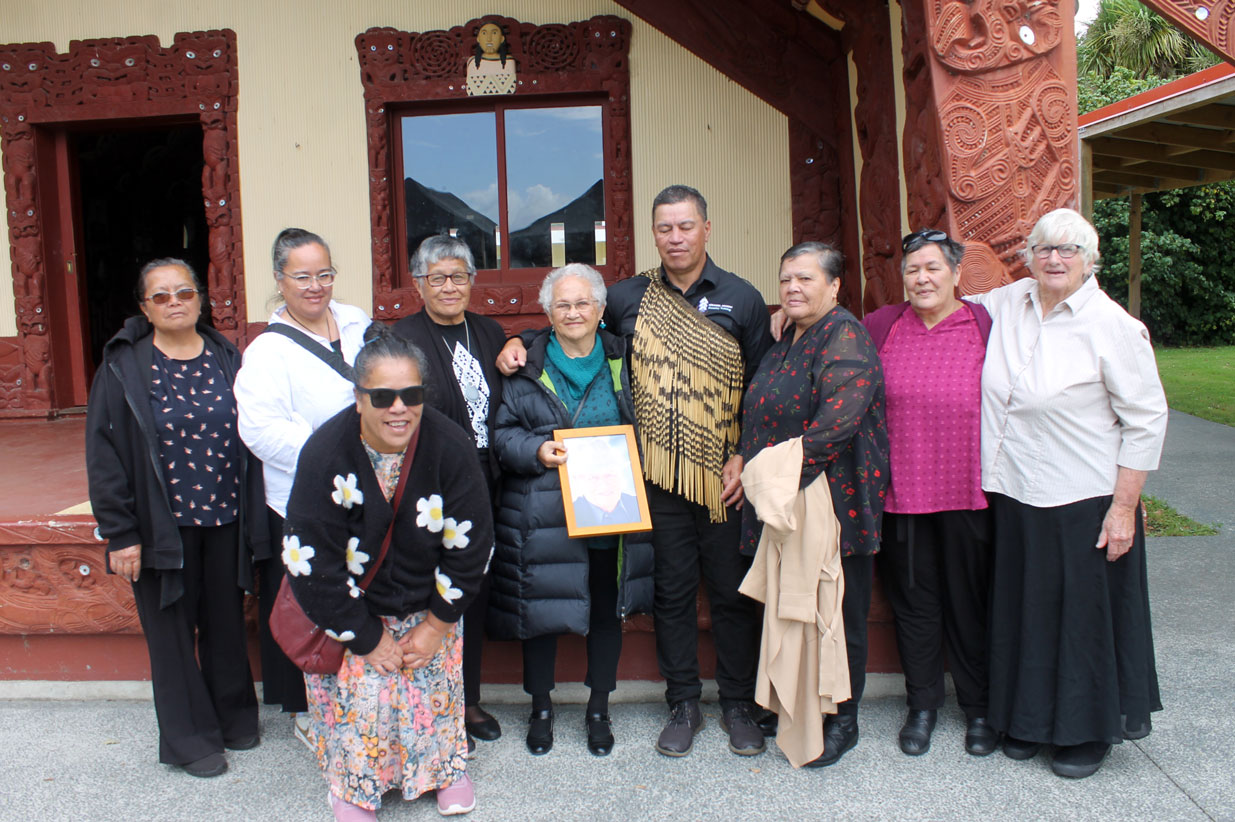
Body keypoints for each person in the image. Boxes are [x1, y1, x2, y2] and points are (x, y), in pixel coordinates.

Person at [499, 185, 774, 757]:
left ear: (706, 228)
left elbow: (763, 388)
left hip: (722, 476)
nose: (675, 237)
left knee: (730, 592)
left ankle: (737, 703)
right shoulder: (629, 296)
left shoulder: (742, 298)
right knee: (672, 593)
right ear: (653, 234)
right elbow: (570, 328)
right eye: (664, 228)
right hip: (657, 476)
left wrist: (745, 454)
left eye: (686, 226)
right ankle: (683, 703)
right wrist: (517, 342)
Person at [968, 208, 1167, 779]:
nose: (1054, 259)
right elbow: (936, 311)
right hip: (1014, 492)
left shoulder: (1113, 326)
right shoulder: (1007, 302)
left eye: (1068, 250)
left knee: (1081, 623)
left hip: (1084, 498)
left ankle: (1086, 733)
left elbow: (1147, 421)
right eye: (1044, 249)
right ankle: (1028, 720)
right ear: (1028, 256)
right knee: (1027, 613)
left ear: (1089, 259)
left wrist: (1124, 508)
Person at [283, 323, 492, 819]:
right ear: (359, 398)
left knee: (433, 687)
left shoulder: (449, 444)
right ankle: (353, 787)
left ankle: (445, 770)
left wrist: (436, 624)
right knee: (363, 700)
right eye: (382, 396)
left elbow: (473, 542)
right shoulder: (325, 452)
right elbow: (309, 558)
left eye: (411, 394)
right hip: (351, 607)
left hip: (431, 599)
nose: (399, 408)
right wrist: (365, 635)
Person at [86, 258, 266, 777]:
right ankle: (190, 740)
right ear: (145, 308)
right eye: (160, 296)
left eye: (183, 293)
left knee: (225, 623)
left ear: (199, 299)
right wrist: (121, 532)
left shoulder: (226, 356)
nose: (174, 303)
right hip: (159, 526)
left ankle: (233, 718)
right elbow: (103, 454)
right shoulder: (124, 366)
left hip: (225, 518)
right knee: (171, 635)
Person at [489, 264, 654, 757]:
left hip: (609, 510)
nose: (574, 312)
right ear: (548, 312)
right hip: (545, 513)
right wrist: (536, 450)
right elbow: (502, 435)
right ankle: (540, 708)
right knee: (541, 611)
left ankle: (599, 708)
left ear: (601, 309)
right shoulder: (526, 366)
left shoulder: (627, 360)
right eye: (562, 304)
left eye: (583, 303)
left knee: (606, 610)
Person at [739, 242, 889, 768]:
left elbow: (833, 428)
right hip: (786, 500)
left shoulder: (845, 337)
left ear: (835, 285)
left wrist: (764, 479)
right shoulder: (790, 334)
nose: (793, 288)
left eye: (805, 279)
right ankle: (791, 703)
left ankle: (842, 717)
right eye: (786, 280)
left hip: (832, 501)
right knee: (791, 607)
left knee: (836, 614)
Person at [862, 229, 997, 757]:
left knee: (970, 603)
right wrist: (786, 315)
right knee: (915, 606)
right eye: (913, 269)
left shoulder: (985, 325)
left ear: (956, 274)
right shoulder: (884, 325)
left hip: (970, 494)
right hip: (903, 495)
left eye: (933, 267)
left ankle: (979, 708)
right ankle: (922, 706)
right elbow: (830, 340)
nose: (922, 278)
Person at [234, 228, 370, 743]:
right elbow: (259, 430)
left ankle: (356, 691)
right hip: (303, 496)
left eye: (324, 274)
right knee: (307, 598)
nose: (316, 286)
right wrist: (331, 458)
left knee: (353, 590)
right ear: (279, 279)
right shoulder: (267, 351)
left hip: (364, 489)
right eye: (302, 276)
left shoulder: (356, 321)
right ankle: (306, 710)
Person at [392, 234, 506, 746]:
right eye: (436, 277)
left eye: (458, 276)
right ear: (418, 284)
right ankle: (431, 701)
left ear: (472, 282)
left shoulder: (488, 331)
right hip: (429, 482)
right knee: (431, 590)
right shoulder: (400, 338)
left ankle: (468, 698)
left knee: (473, 585)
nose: (448, 286)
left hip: (489, 478)